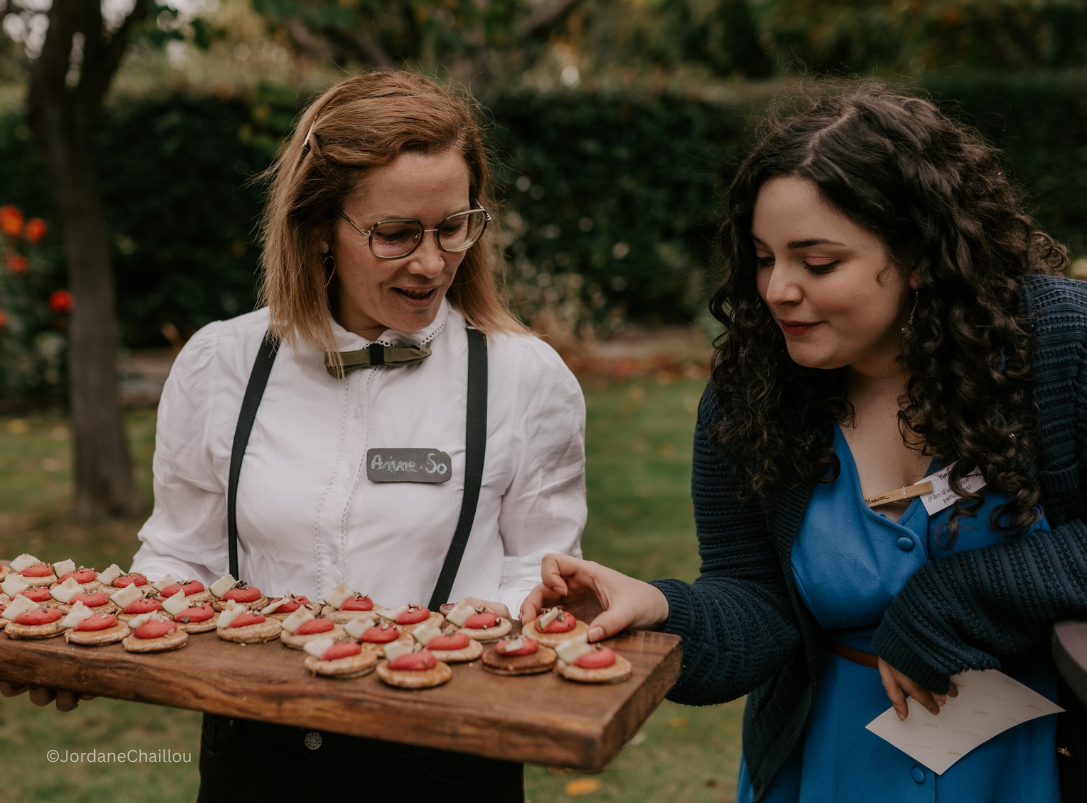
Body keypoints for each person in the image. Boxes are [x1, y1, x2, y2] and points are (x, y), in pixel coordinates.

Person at [3, 71, 586, 802]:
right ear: (316, 227)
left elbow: (538, 569)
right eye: (396, 233)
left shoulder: (526, 379)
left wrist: (451, 651)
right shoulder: (221, 364)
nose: (433, 261)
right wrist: (73, 650)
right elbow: (180, 553)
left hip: (443, 758)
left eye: (453, 225)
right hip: (254, 759)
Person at [522, 82, 1087, 803]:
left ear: (919, 254)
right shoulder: (748, 395)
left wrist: (954, 596)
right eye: (762, 258)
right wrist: (660, 608)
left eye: (816, 263)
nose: (777, 290)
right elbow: (757, 612)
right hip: (831, 766)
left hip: (1033, 761)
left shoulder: (1058, 346)